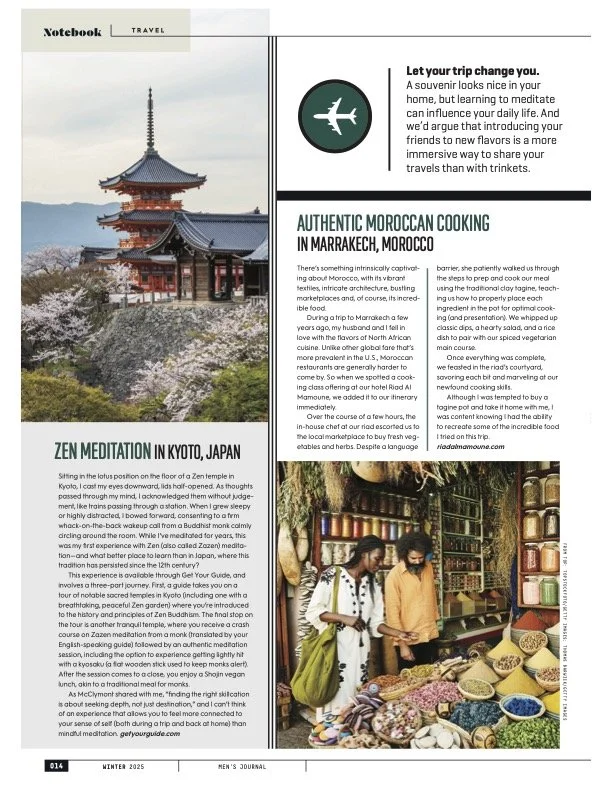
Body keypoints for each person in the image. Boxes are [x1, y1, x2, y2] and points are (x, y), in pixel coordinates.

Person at [304, 535, 416, 718]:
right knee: (334, 698)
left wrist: (399, 633)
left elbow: (376, 624)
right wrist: (343, 618)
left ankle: (351, 730)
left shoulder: (373, 584)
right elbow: (314, 611)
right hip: (335, 650)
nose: (379, 564)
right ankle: (329, 731)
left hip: (361, 653)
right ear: (364, 554)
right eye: (377, 559)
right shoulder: (333, 575)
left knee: (356, 700)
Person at [384, 532, 440, 670]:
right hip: (409, 641)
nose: (418, 562)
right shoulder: (394, 577)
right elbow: (392, 614)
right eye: (413, 558)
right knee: (410, 681)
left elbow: (432, 598)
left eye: (421, 557)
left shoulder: (428, 567)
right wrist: (402, 645)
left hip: (430, 636)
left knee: (432, 679)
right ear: (404, 555)